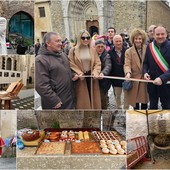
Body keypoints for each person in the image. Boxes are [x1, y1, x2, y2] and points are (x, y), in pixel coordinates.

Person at [35, 32, 75, 109]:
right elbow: (41, 85)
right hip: (56, 104)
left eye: (60, 41)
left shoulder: (62, 54)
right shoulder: (40, 59)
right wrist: (53, 100)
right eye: (57, 41)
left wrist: (73, 75)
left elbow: (65, 71)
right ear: (48, 43)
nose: (60, 43)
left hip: (69, 100)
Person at [69, 29, 101, 109]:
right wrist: (79, 72)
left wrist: (95, 72)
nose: (86, 39)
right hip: (81, 79)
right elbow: (71, 63)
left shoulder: (93, 50)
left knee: (93, 99)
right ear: (79, 38)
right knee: (82, 101)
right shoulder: (73, 50)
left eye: (88, 37)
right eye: (83, 38)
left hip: (92, 78)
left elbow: (97, 62)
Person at [143, 25, 170, 109]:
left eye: (162, 34)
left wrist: (162, 78)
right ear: (153, 35)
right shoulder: (150, 47)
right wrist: (145, 72)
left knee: (167, 109)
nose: (160, 36)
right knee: (152, 108)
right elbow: (145, 63)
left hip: (166, 84)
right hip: (152, 84)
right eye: (158, 34)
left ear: (166, 34)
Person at [124, 28, 149, 110]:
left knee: (144, 102)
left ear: (143, 39)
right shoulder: (129, 51)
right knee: (136, 103)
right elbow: (127, 64)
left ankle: (144, 120)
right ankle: (136, 120)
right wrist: (128, 73)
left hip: (145, 79)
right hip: (134, 80)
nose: (138, 41)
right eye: (136, 39)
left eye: (140, 39)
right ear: (133, 39)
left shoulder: (148, 49)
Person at [109, 35, 128, 109]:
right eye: (116, 41)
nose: (118, 43)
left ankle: (126, 110)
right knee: (117, 96)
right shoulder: (110, 52)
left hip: (126, 77)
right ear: (113, 42)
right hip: (115, 78)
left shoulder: (127, 51)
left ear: (122, 41)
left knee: (127, 95)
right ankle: (118, 109)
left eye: (120, 41)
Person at [95, 39, 112, 109]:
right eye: (98, 46)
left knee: (103, 101)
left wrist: (103, 73)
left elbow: (108, 66)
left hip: (103, 83)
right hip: (94, 82)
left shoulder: (107, 56)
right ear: (95, 47)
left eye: (102, 46)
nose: (100, 48)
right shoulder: (93, 55)